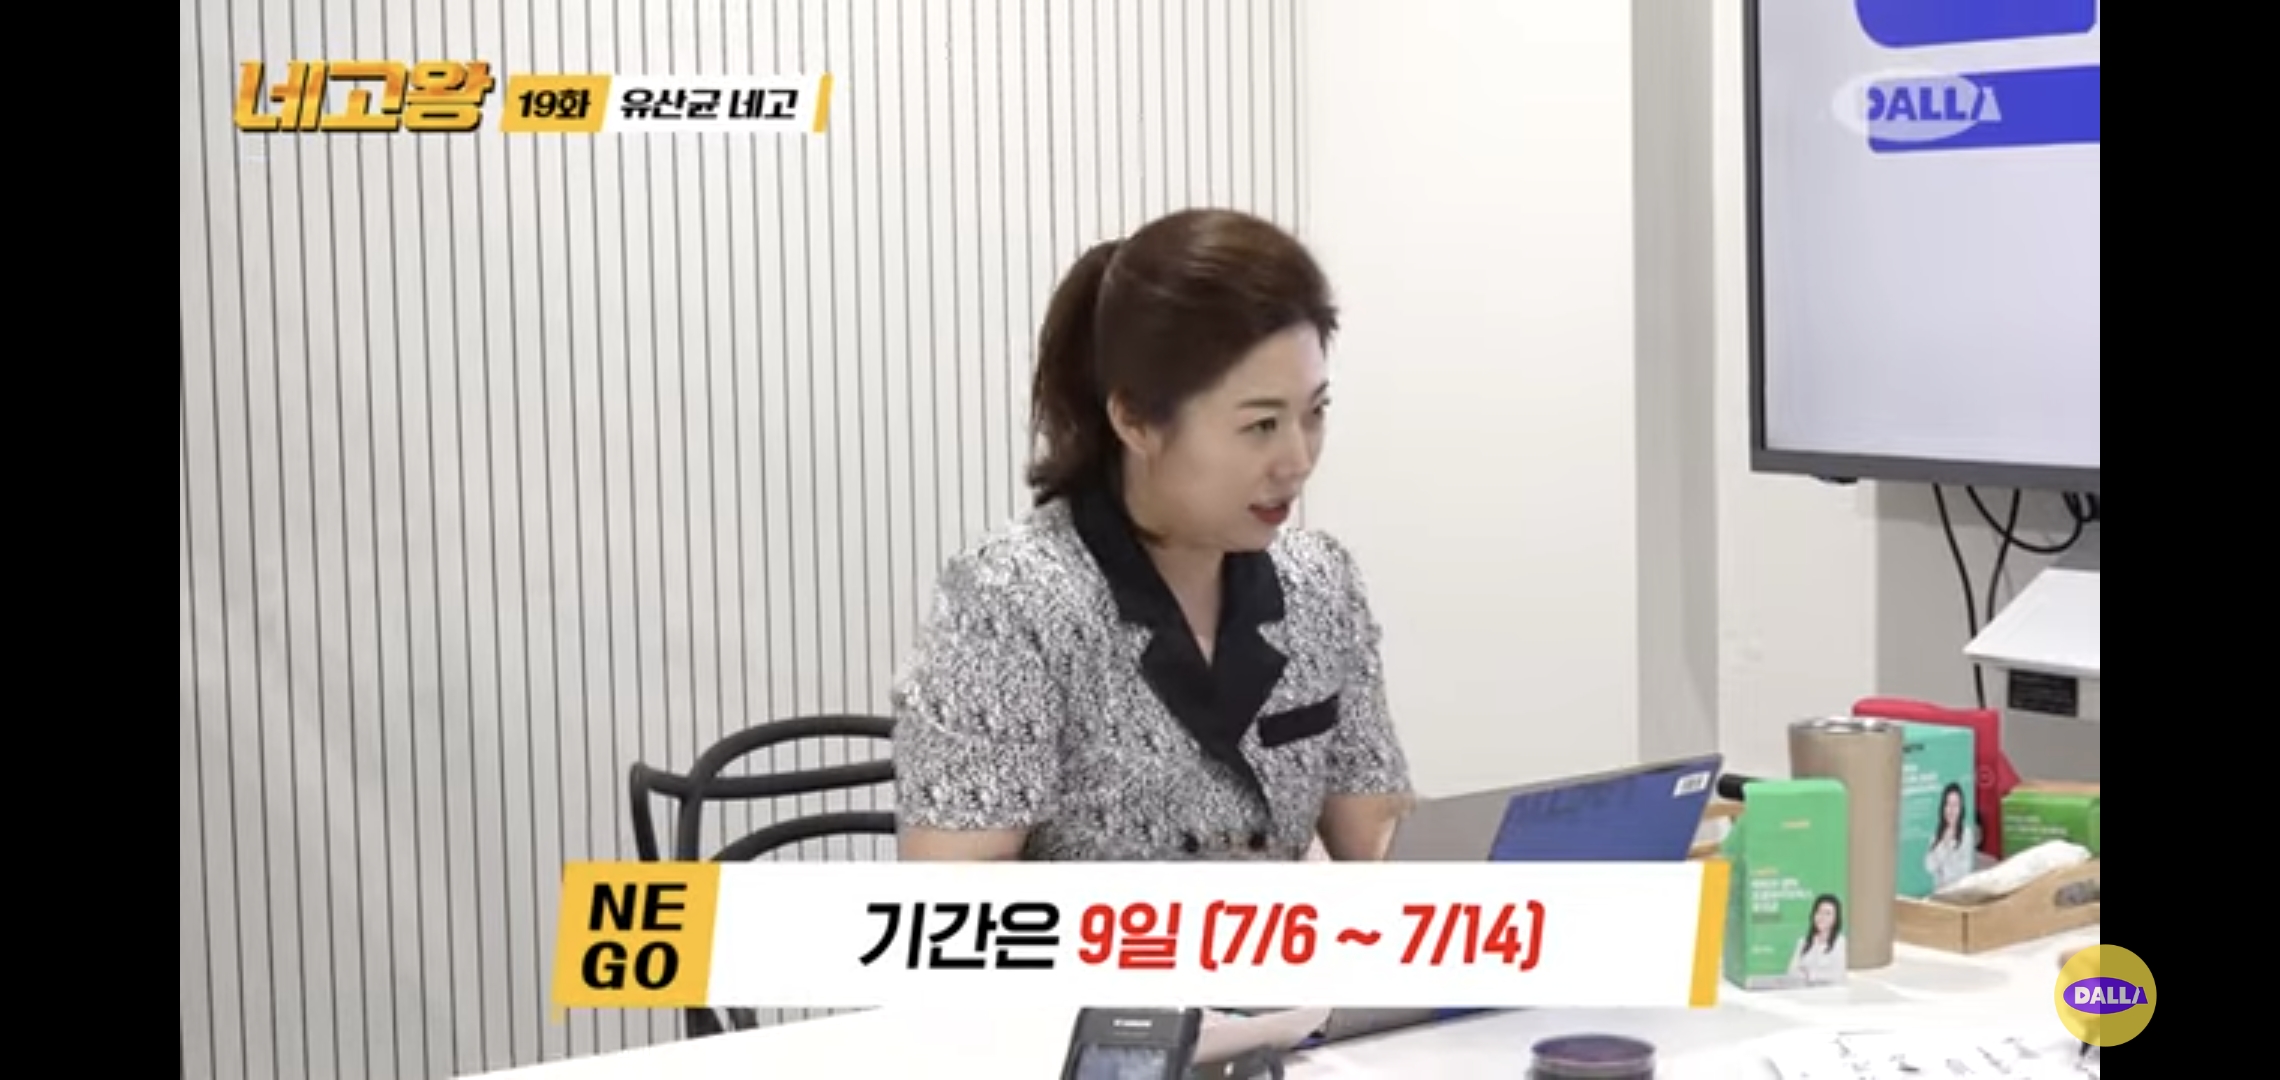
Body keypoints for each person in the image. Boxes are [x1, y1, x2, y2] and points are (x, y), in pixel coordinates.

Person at [890, 208, 1414, 862]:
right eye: (1260, 425)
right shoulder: (1012, 601)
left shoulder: (1319, 584)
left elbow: (1381, 843)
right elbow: (953, 888)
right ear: (1135, 420)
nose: (1298, 460)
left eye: (1314, 413)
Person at [1923, 782, 1974, 890]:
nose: (1951, 809)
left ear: (1961, 808)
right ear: (1943, 807)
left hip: (1959, 892)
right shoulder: (1936, 836)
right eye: (1948, 804)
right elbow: (1929, 866)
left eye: (1955, 805)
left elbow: (1964, 870)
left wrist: (1948, 850)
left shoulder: (1966, 834)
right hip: (1940, 893)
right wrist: (1944, 845)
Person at [1789, 894, 1847, 987]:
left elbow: (1837, 975)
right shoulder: (1803, 942)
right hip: (1805, 992)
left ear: (1835, 919)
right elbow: (1792, 971)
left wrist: (1810, 974)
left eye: (1828, 913)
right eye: (1819, 912)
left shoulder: (1840, 942)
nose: (1822, 917)